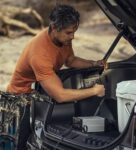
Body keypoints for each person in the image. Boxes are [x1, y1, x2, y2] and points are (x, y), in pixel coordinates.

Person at [6, 4, 105, 150]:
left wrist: (94, 63)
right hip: (19, 100)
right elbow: (60, 96)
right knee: (20, 145)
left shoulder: (63, 40)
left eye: (74, 32)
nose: (73, 37)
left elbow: (70, 60)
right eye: (69, 33)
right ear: (53, 28)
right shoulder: (39, 54)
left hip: (38, 94)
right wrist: (94, 91)